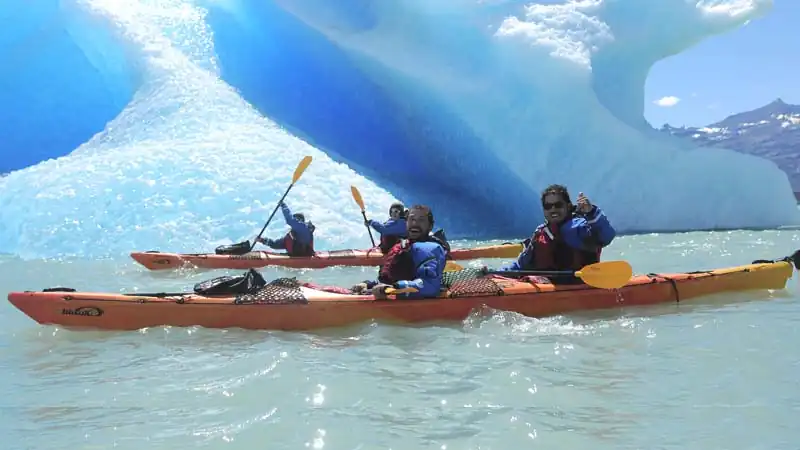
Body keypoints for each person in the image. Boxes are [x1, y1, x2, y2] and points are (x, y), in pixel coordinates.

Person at [499, 184, 616, 284]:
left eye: (558, 205)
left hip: (578, 285)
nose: (553, 209)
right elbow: (521, 265)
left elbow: (606, 237)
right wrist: (497, 274)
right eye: (548, 206)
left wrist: (591, 212)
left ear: (568, 206)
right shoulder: (541, 233)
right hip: (545, 285)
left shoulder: (579, 228)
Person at [352, 205, 450, 300]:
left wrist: (393, 289)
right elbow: (391, 279)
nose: (415, 223)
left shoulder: (430, 249)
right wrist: (369, 284)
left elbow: (429, 286)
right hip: (394, 293)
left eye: (421, 220)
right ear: (406, 222)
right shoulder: (403, 245)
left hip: (412, 301)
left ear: (430, 226)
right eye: (412, 219)